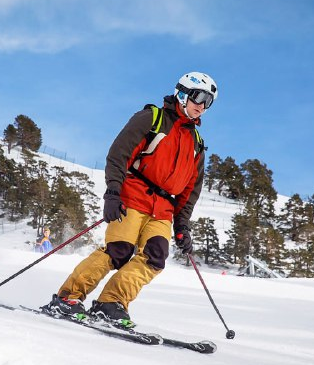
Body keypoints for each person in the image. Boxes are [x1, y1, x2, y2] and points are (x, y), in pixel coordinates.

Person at [43, 72, 217, 327]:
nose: (202, 105)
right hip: (133, 195)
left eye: (208, 102)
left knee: (156, 257)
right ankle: (67, 298)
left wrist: (182, 225)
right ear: (182, 93)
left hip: (163, 210)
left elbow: (191, 190)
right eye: (198, 97)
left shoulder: (197, 144)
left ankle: (110, 303)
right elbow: (119, 153)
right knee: (119, 251)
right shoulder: (152, 119)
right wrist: (113, 192)